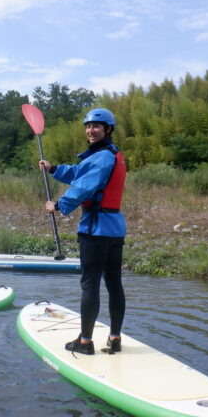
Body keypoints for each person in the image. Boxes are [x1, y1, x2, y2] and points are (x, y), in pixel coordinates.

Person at [39, 108, 126, 355]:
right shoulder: (109, 155)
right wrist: (54, 168)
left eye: (96, 126)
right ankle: (115, 337)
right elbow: (79, 173)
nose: (91, 130)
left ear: (107, 129)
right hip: (114, 229)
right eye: (88, 126)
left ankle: (85, 342)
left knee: (90, 285)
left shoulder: (102, 158)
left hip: (95, 230)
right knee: (114, 284)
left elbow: (85, 187)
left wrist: (58, 205)